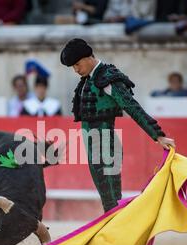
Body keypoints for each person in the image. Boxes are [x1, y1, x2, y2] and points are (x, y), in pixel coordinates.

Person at [60, 38, 175, 212]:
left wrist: (157, 134)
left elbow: (132, 106)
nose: (76, 70)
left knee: (112, 198)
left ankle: (120, 232)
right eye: (73, 67)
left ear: (88, 57)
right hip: (92, 143)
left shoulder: (108, 78)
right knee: (107, 198)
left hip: (106, 143)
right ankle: (115, 230)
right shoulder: (88, 78)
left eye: (77, 64)